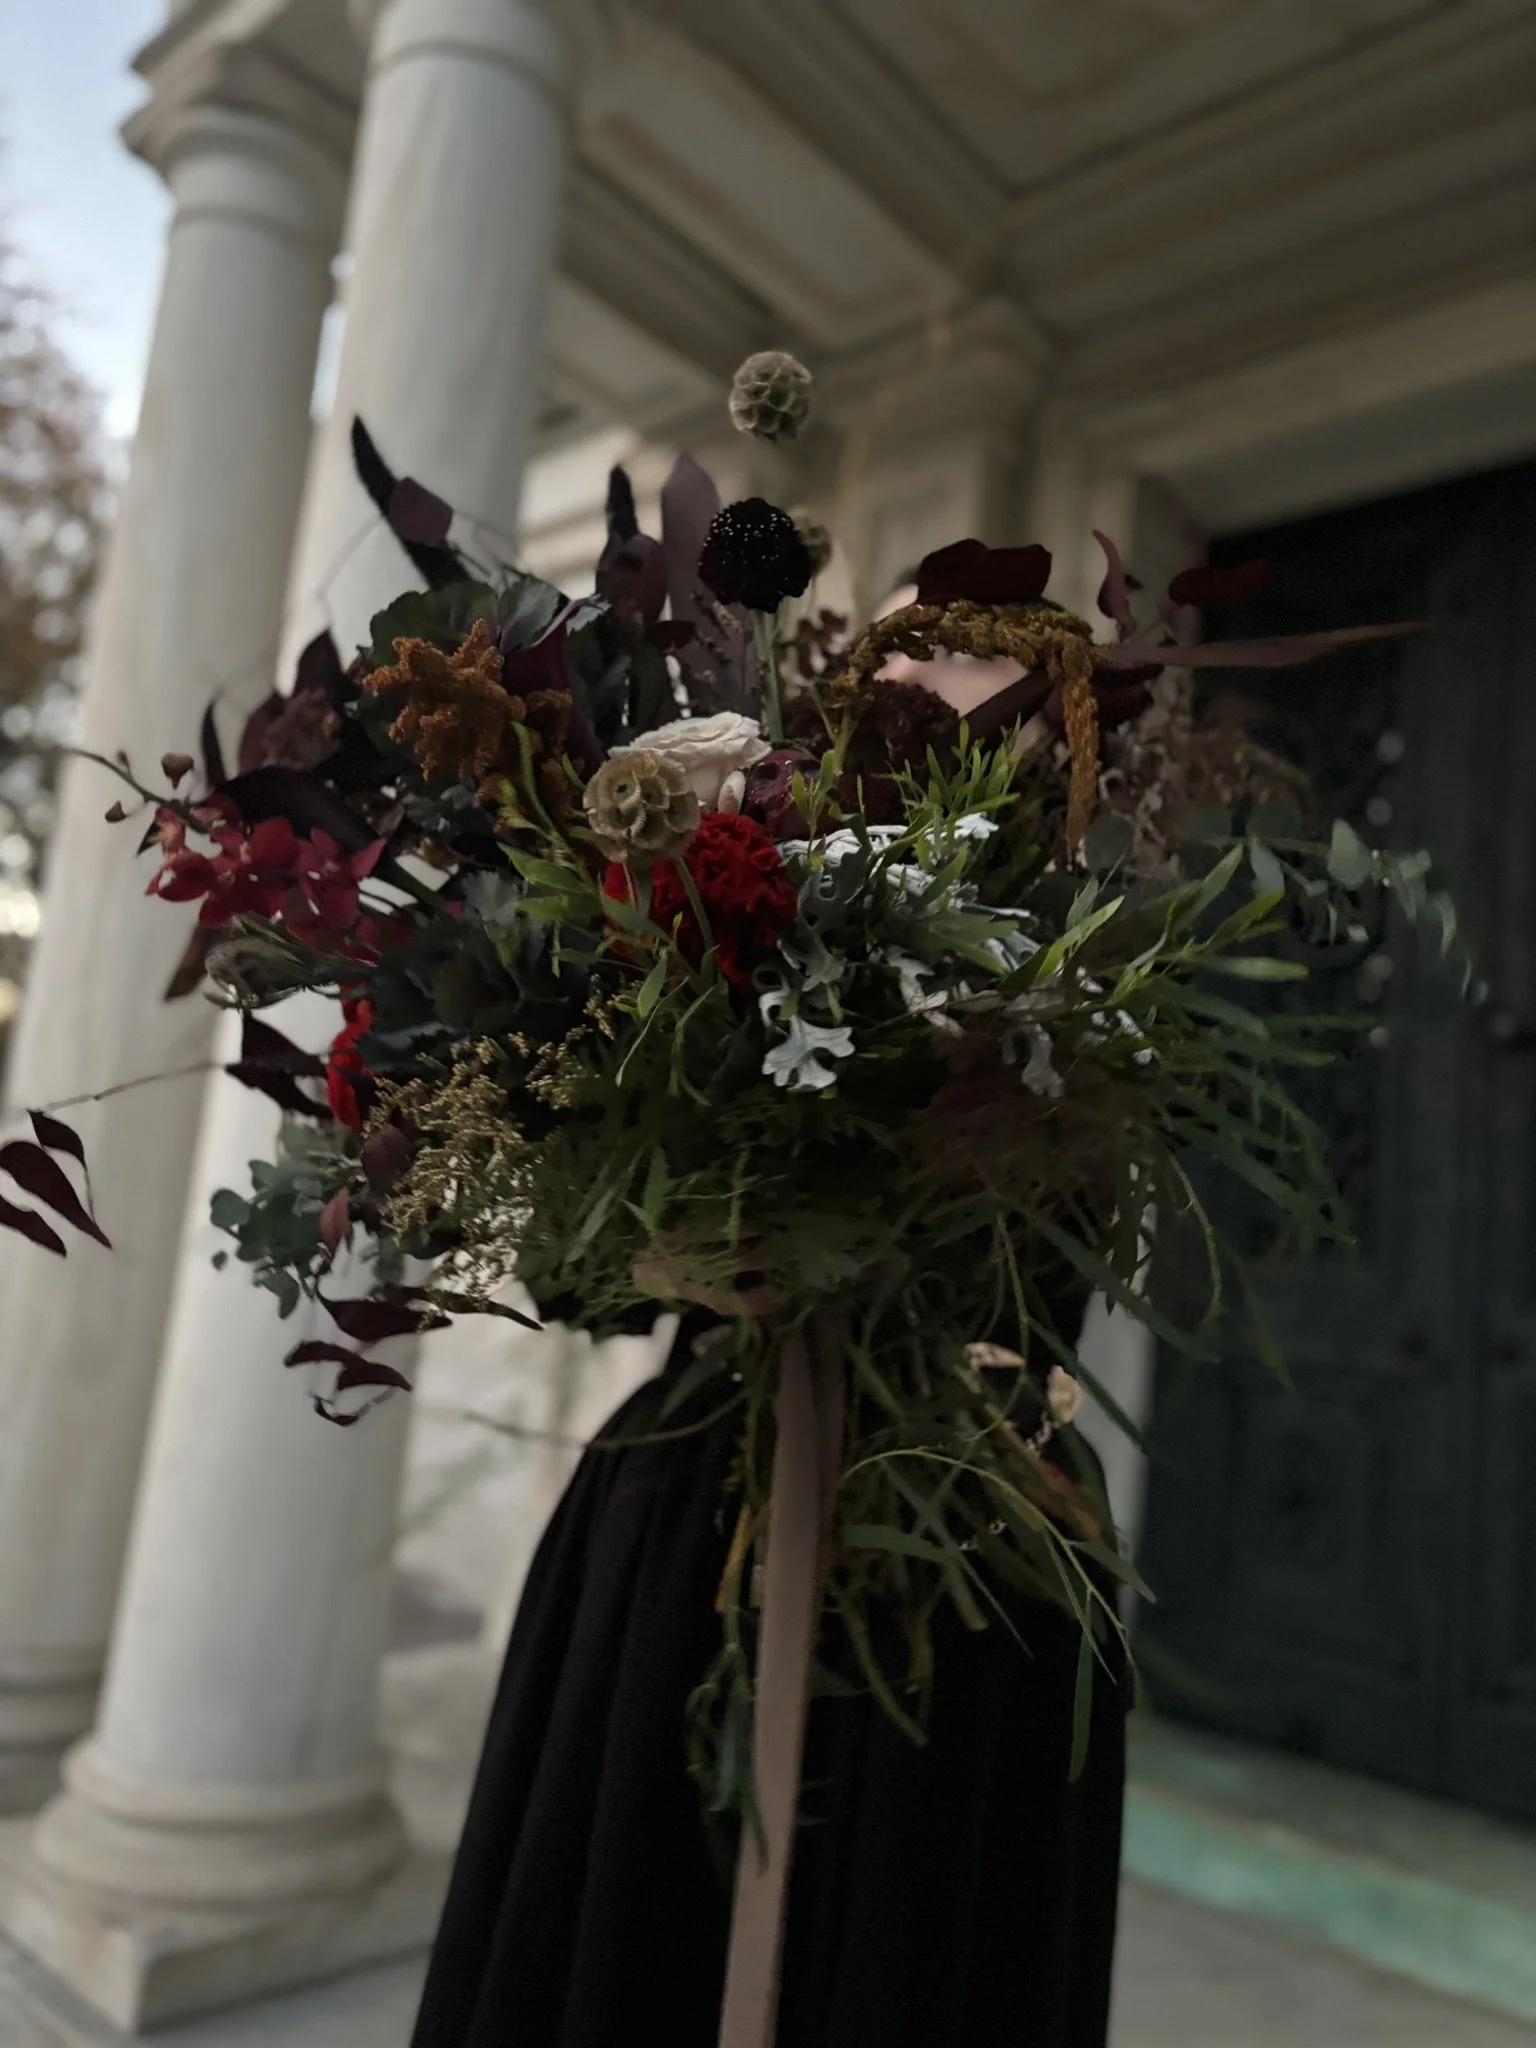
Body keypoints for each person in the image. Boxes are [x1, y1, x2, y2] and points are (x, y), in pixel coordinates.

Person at [409, 589, 1129, 2048]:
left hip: (960, 1539)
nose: (925, 703)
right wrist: (666, 1239)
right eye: (897, 669)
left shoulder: (1090, 997)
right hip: (692, 1508)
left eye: (978, 691)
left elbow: (1046, 1298)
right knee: (633, 1916)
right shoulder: (720, 906)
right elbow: (577, 1266)